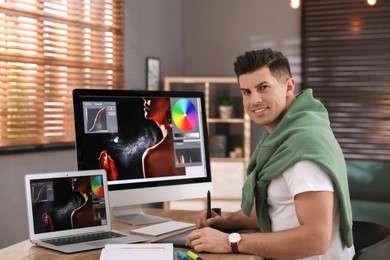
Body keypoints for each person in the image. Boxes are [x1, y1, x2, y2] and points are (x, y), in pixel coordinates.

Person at [186, 48, 355, 259]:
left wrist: (231, 241)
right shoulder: (284, 137)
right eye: (246, 92)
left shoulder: (303, 149)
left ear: (288, 86)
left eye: (263, 87)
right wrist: (224, 221)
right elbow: (276, 211)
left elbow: (316, 239)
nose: (254, 100)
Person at [142, 97, 185, 178]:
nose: (144, 98)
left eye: (152, 95)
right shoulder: (189, 145)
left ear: (170, 102)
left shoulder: (151, 155)